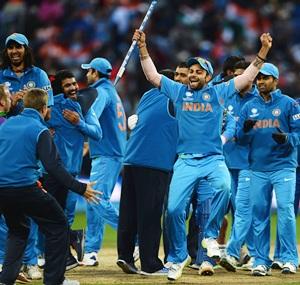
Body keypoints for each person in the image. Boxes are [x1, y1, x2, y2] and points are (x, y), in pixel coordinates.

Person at [132, 29, 272, 281]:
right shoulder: (178, 91)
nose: (193, 74)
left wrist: (262, 51)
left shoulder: (219, 92)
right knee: (173, 210)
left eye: (198, 71)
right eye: (191, 71)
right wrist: (143, 47)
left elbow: (249, 75)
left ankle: (209, 234)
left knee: (224, 188)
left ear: (208, 76)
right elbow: (152, 75)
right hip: (185, 160)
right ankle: (177, 258)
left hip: (213, 159)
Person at [0, 88, 100, 285]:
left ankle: (6, 279)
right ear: (44, 108)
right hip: (24, 188)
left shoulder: (6, 125)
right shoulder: (40, 130)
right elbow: (54, 167)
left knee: (18, 229)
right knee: (59, 225)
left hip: (2, 191)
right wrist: (80, 188)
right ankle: (55, 280)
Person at [237, 63, 300, 276]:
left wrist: (288, 138)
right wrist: (244, 131)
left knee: (286, 212)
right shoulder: (248, 106)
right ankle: (261, 261)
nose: (261, 82)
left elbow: (299, 135)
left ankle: (289, 259)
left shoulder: (289, 104)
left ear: (276, 80)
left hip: (284, 167)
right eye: (259, 79)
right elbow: (240, 140)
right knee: (259, 214)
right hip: (258, 168)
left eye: (265, 78)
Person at [0, 32, 54, 280]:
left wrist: (26, 105)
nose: (14, 52)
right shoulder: (1, 76)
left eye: (18, 47)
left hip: (30, 147)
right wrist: (11, 103)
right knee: (7, 213)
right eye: (10, 48)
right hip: (8, 147)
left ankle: (31, 261)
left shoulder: (39, 75)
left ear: (26, 49)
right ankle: (7, 261)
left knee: (29, 207)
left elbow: (48, 113)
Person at [117, 69, 177, 276]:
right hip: (155, 162)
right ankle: (150, 264)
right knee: (150, 216)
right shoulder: (176, 98)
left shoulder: (147, 96)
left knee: (128, 213)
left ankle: (124, 256)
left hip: (131, 159)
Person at [40, 70, 102, 269]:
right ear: (60, 88)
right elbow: (36, 120)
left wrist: (79, 122)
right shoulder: (51, 107)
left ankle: (61, 252)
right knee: (54, 215)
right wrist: (44, 130)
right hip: (53, 172)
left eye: (74, 83)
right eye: (68, 85)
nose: (74, 87)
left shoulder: (81, 108)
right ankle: (60, 253)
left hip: (72, 171)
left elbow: (97, 133)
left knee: (65, 216)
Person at [81, 58, 127, 266]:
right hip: (111, 153)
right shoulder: (112, 92)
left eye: (88, 71)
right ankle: (91, 250)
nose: (85, 75)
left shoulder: (101, 93)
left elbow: (93, 117)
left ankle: (132, 236)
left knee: (96, 199)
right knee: (94, 201)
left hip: (107, 155)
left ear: (95, 72)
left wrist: (79, 123)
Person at [219, 60, 258, 271]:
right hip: (225, 161)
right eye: (237, 76)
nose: (243, 80)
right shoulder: (225, 97)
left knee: (242, 209)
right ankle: (245, 252)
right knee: (227, 210)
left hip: (248, 162)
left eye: (246, 76)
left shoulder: (258, 100)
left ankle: (241, 252)